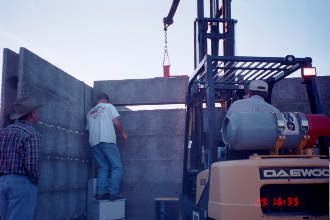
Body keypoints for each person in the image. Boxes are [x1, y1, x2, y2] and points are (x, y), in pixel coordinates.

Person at [0, 96, 43, 220]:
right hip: (22, 183)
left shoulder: (4, 132)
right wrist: (34, 180)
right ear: (32, 114)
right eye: (36, 112)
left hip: (2, 181)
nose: (37, 114)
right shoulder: (32, 134)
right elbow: (32, 164)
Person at [86, 92, 128, 201]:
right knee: (116, 166)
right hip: (107, 140)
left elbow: (89, 130)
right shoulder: (109, 106)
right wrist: (123, 133)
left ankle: (100, 193)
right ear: (106, 100)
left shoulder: (90, 112)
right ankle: (112, 193)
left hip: (94, 143)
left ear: (98, 100)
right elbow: (116, 122)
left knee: (103, 167)